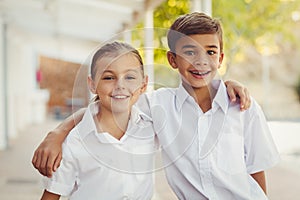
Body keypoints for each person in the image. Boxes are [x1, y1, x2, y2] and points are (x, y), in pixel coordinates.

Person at [31, 13, 264, 199]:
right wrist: (58, 132)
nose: (200, 61)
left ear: (220, 58)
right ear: (172, 59)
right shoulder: (158, 105)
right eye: (189, 52)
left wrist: (228, 84)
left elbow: (256, 168)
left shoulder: (243, 107)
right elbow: (107, 104)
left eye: (210, 52)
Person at [40, 41, 157, 199]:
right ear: (92, 84)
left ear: (143, 84)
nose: (120, 85)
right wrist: (58, 133)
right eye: (108, 78)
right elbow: (51, 195)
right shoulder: (75, 141)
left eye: (130, 77)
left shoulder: (151, 125)